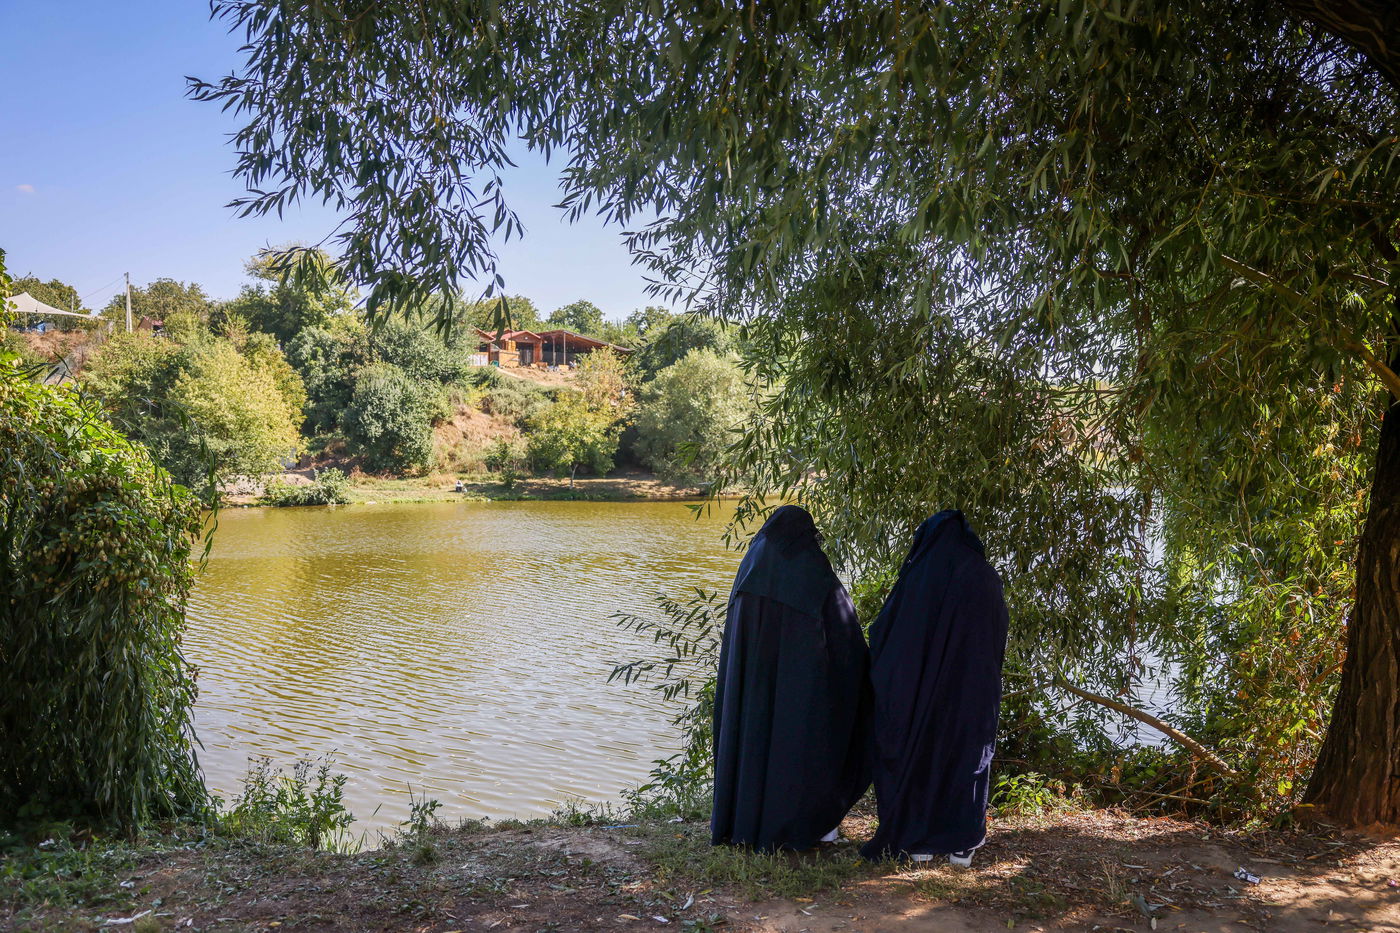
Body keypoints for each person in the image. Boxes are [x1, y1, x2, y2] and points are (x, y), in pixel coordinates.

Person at [711, 505, 872, 852]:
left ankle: (744, 825)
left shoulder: (751, 567)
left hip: (752, 692)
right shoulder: (812, 569)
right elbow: (845, 637)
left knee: (753, 740)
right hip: (800, 693)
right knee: (804, 747)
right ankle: (809, 825)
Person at [860, 510, 1009, 866]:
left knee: (921, 755)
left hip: (917, 694)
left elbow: (884, 632)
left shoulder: (917, 576)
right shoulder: (983, 575)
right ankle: (962, 844)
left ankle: (918, 843)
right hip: (970, 692)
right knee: (965, 757)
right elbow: (997, 633)